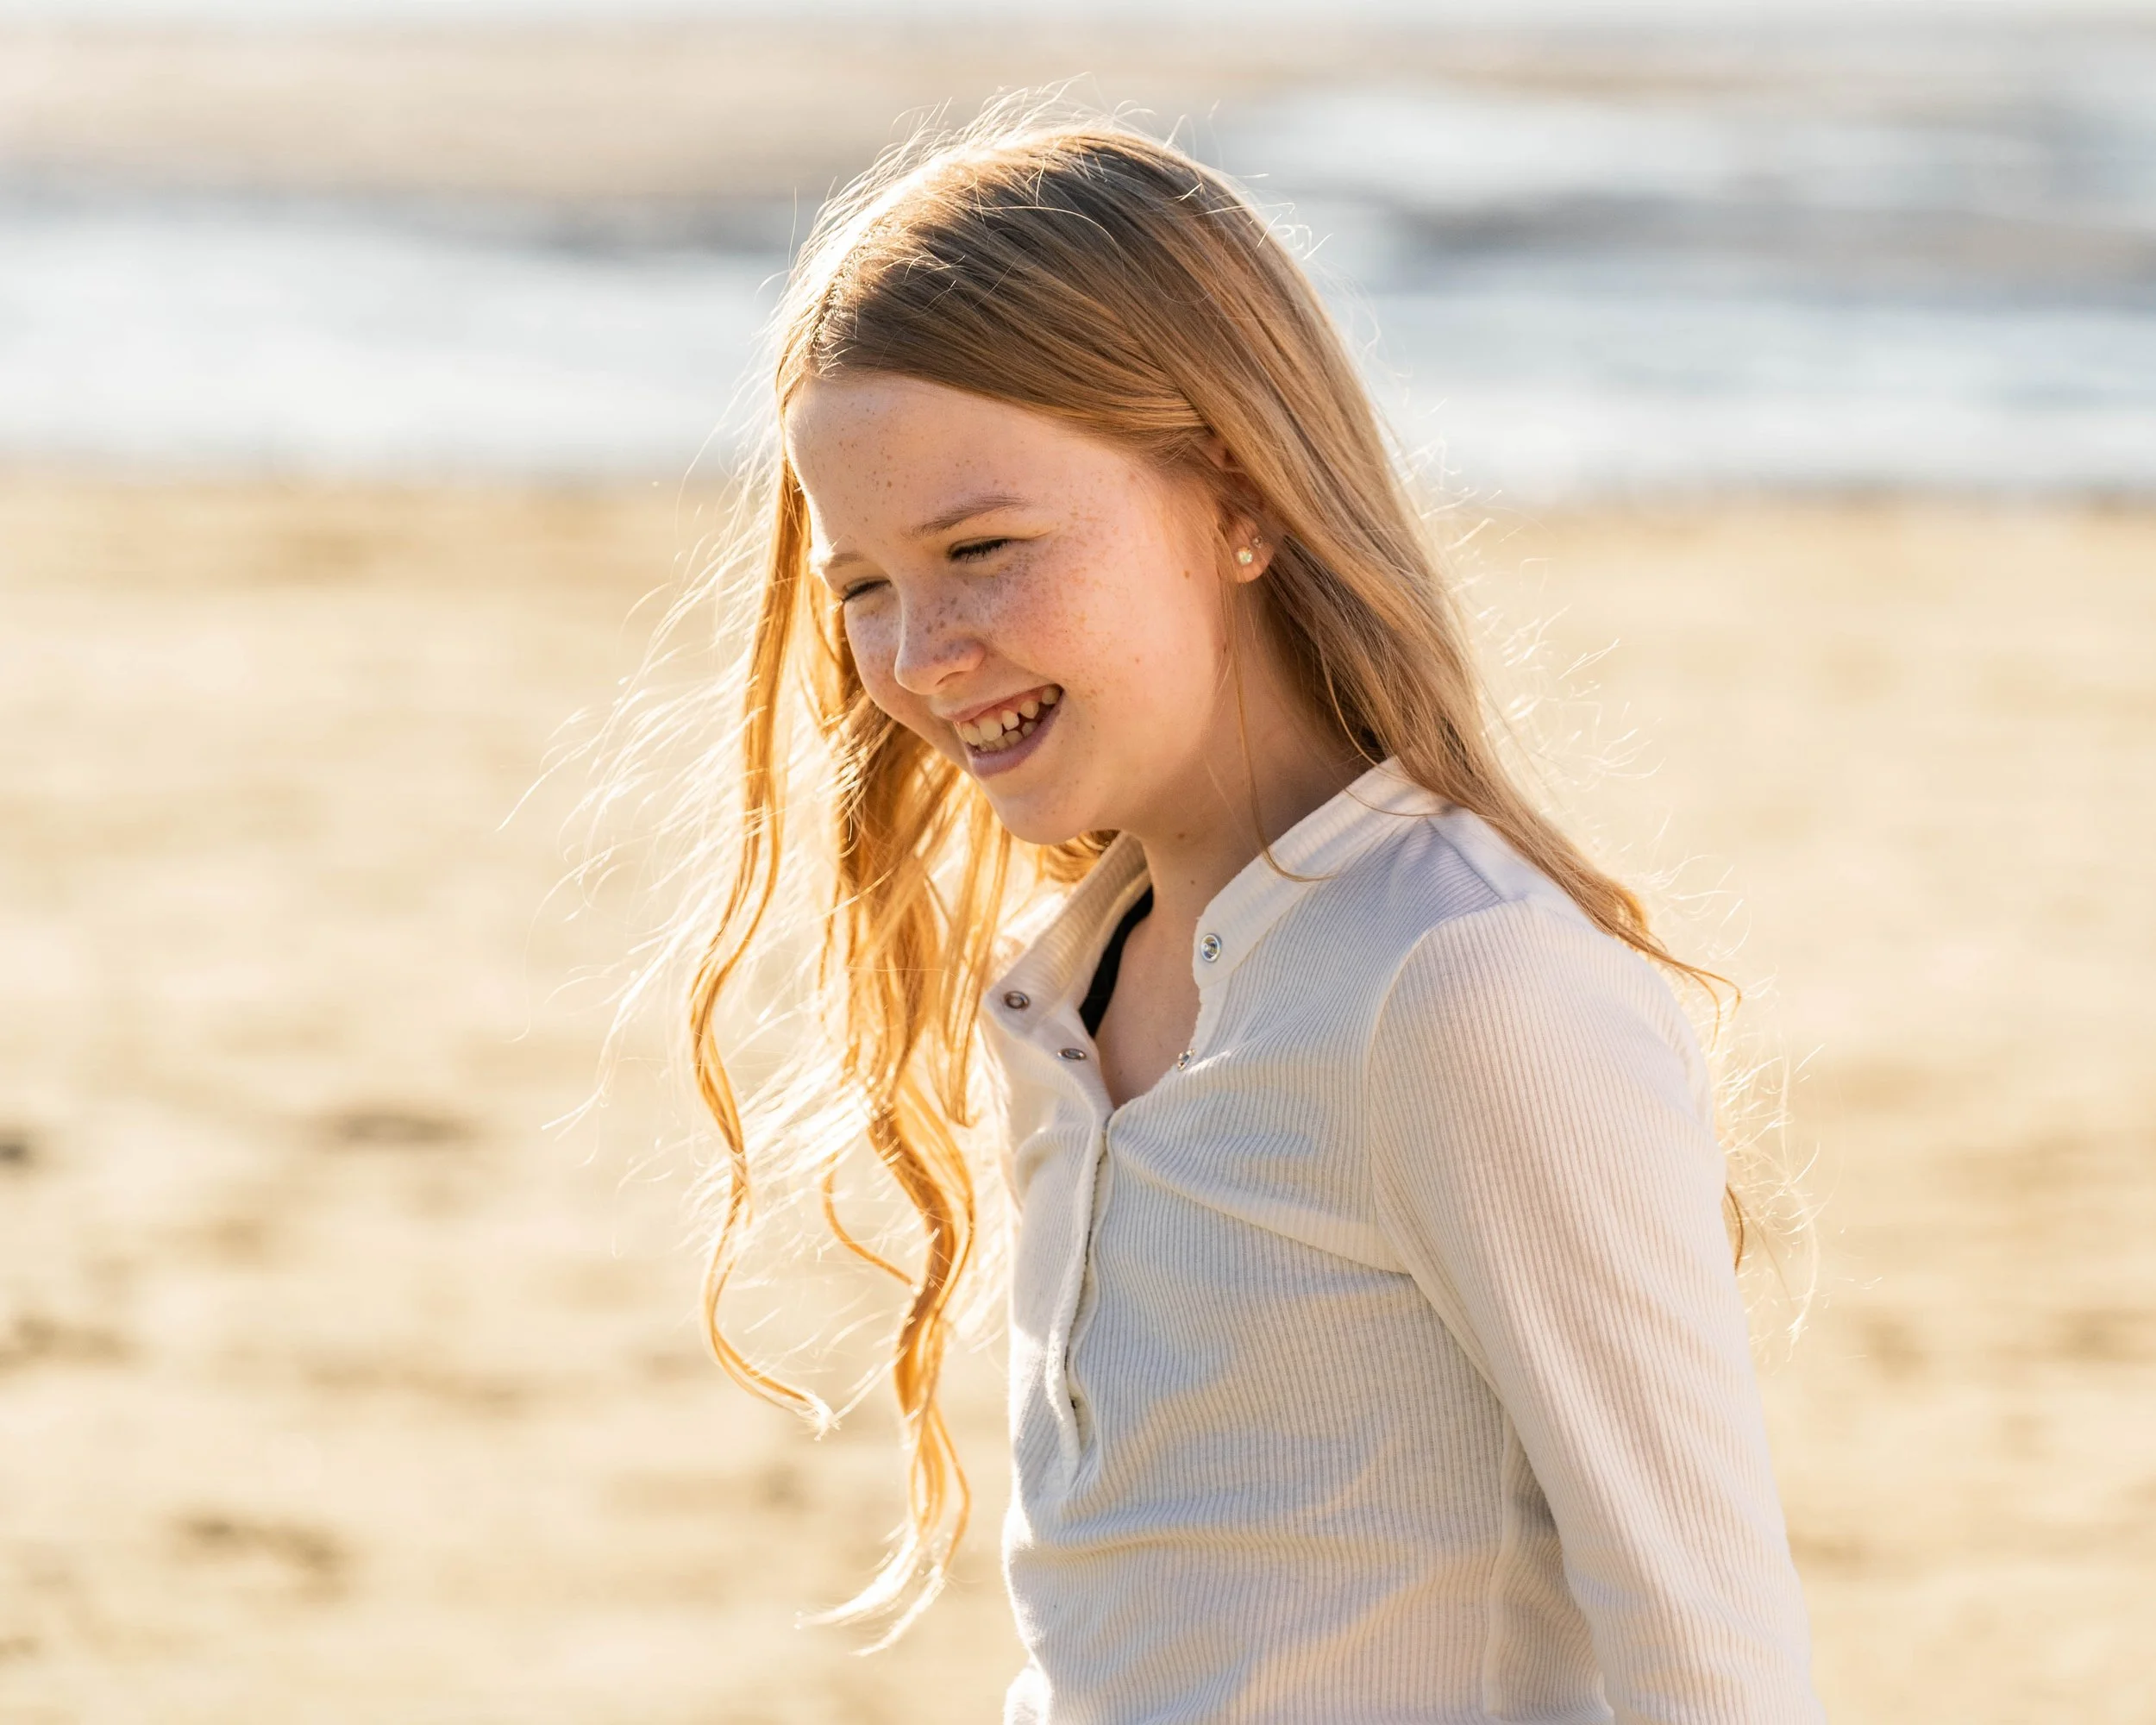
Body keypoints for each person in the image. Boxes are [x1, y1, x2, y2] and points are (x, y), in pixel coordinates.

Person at [663, 105, 1824, 1723]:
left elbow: (1716, 1657)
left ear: (1237, 499)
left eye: (983, 549)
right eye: (863, 584)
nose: (920, 655)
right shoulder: (1067, 1000)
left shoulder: (1460, 986)